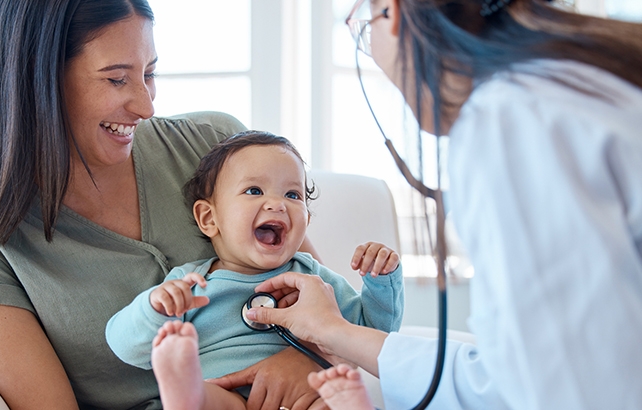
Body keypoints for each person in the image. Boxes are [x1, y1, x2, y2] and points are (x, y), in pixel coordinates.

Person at [0, 1, 331, 409]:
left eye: (149, 73)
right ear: (38, 78)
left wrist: (305, 359)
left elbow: (322, 296)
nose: (146, 106)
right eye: (117, 79)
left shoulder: (216, 146)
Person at [239, 0, 642, 409]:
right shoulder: (585, 82)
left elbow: (568, 391)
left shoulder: (511, 120)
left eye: (362, 30)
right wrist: (335, 332)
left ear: (391, 13)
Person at [105, 131, 405, 410]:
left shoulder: (314, 280)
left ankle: (350, 402)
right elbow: (124, 346)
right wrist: (156, 308)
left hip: (306, 396)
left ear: (307, 220)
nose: (276, 204)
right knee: (211, 400)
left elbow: (368, 334)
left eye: (292, 195)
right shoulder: (191, 284)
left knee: (328, 399)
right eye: (254, 190)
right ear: (209, 218)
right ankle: (184, 387)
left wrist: (380, 281)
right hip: (227, 393)